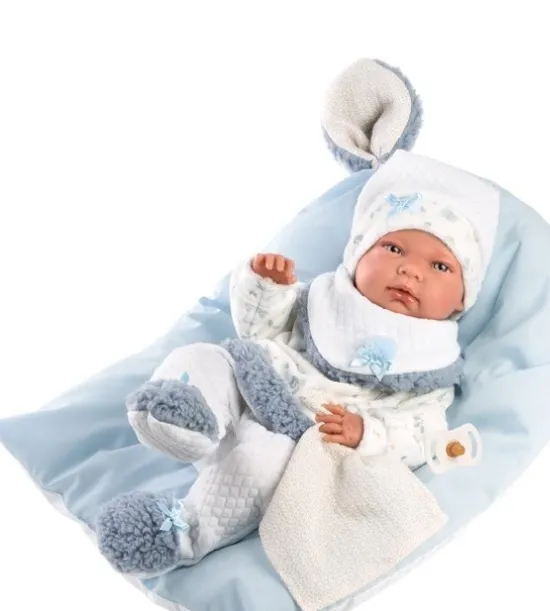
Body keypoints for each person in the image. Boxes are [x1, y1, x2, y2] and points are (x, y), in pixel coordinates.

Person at [96, 153, 496, 575]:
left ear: (462, 298)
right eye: (393, 248)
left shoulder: (431, 367)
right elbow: (259, 330)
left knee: (261, 465)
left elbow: (421, 435)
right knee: (201, 357)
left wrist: (367, 434)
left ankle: (180, 532)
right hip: (247, 393)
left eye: (440, 266)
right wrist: (267, 289)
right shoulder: (325, 301)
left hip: (296, 440)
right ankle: (181, 421)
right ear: (358, 255)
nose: (410, 270)